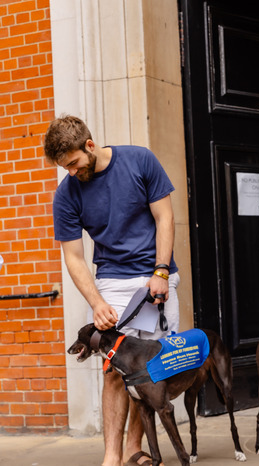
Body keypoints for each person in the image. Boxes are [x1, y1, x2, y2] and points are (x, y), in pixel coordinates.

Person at [45, 115, 180, 466]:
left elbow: (165, 217)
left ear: (89, 146)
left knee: (150, 369)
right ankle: (111, 456)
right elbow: (73, 257)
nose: (71, 172)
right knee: (114, 372)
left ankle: (135, 448)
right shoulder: (67, 193)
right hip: (112, 281)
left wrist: (161, 271)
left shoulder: (140, 160)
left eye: (73, 163)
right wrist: (97, 302)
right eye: (64, 168)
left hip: (156, 277)